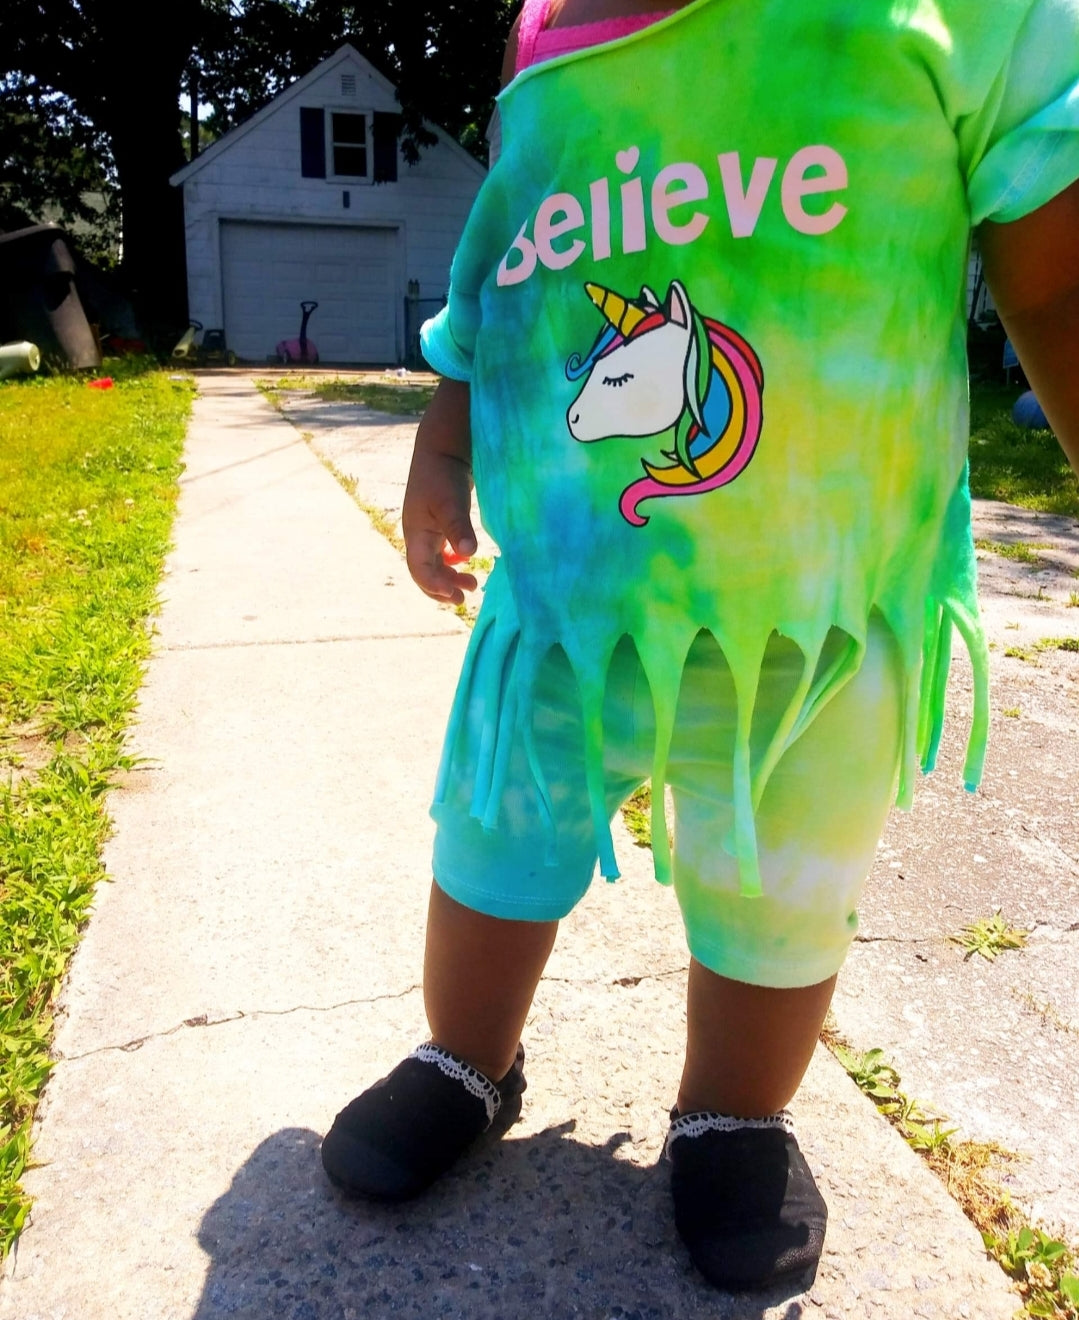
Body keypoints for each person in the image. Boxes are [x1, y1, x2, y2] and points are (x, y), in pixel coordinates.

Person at [321, 0, 1079, 1293]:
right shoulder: (548, 34)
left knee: (779, 880)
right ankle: (468, 1053)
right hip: (562, 597)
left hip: (815, 616)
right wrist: (444, 449)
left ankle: (734, 1109)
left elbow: (1057, 276)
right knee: (497, 834)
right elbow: (497, 277)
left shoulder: (962, 15)